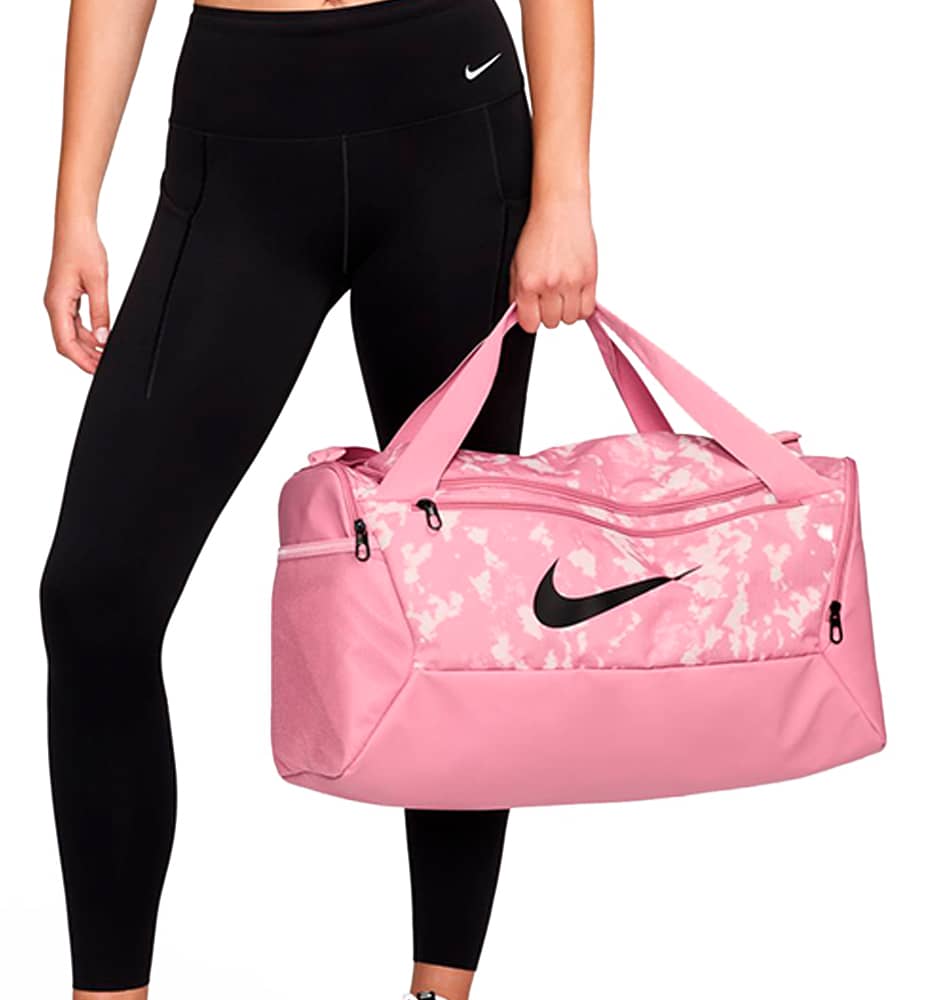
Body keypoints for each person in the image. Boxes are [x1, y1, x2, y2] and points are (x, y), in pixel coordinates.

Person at [40, 0, 597, 996]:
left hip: (448, 122)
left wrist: (564, 189)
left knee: (454, 597)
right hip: (238, 138)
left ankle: (440, 989)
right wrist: (74, 203)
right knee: (94, 598)